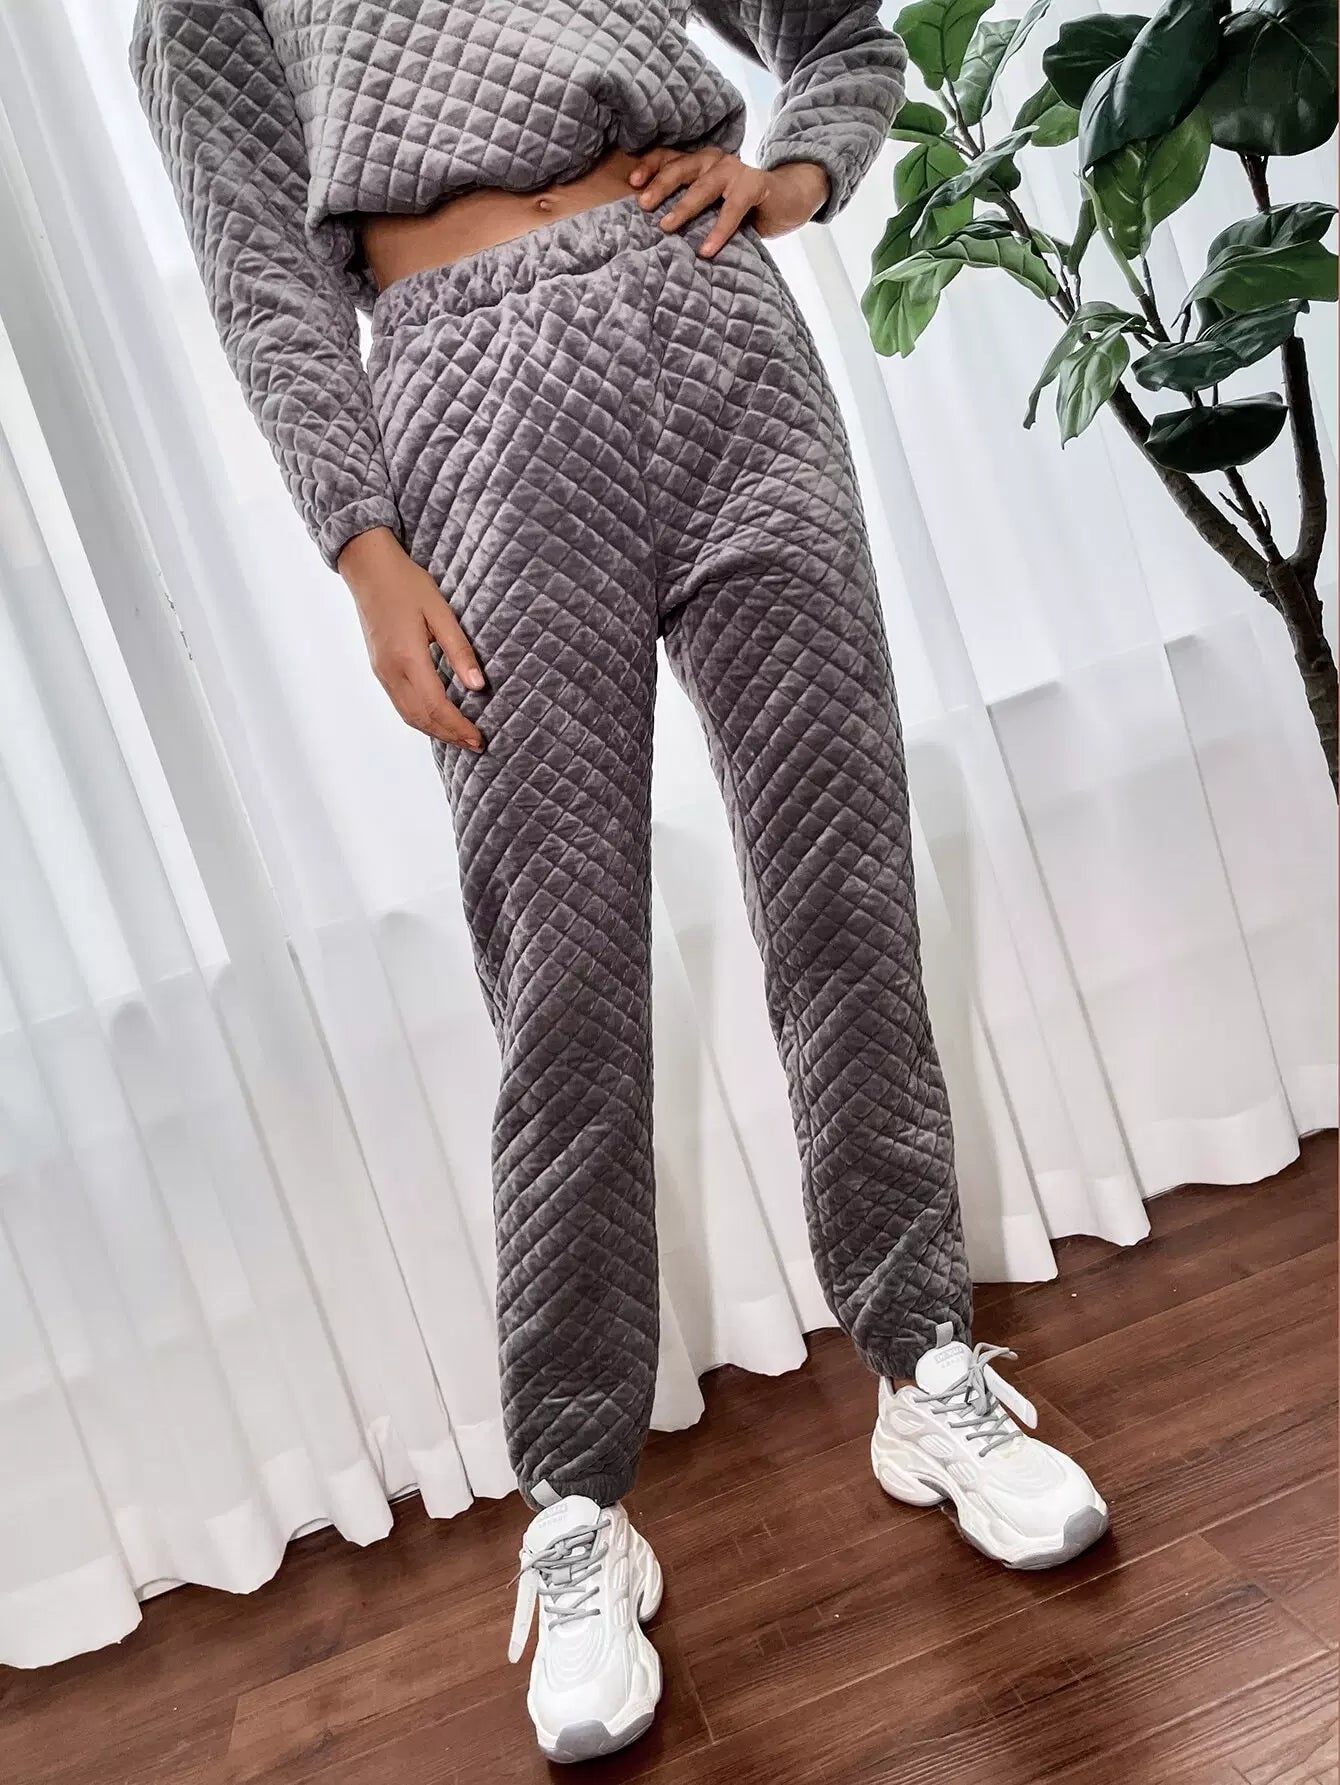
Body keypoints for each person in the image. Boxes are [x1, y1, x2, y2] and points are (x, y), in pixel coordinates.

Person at [131, 0, 1108, 1763]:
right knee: (564, 982)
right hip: (467, 403)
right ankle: (578, 1500)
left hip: (718, 339)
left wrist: (795, 174)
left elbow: (835, 37)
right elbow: (261, 269)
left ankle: (924, 1363)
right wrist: (362, 549)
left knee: (843, 895)